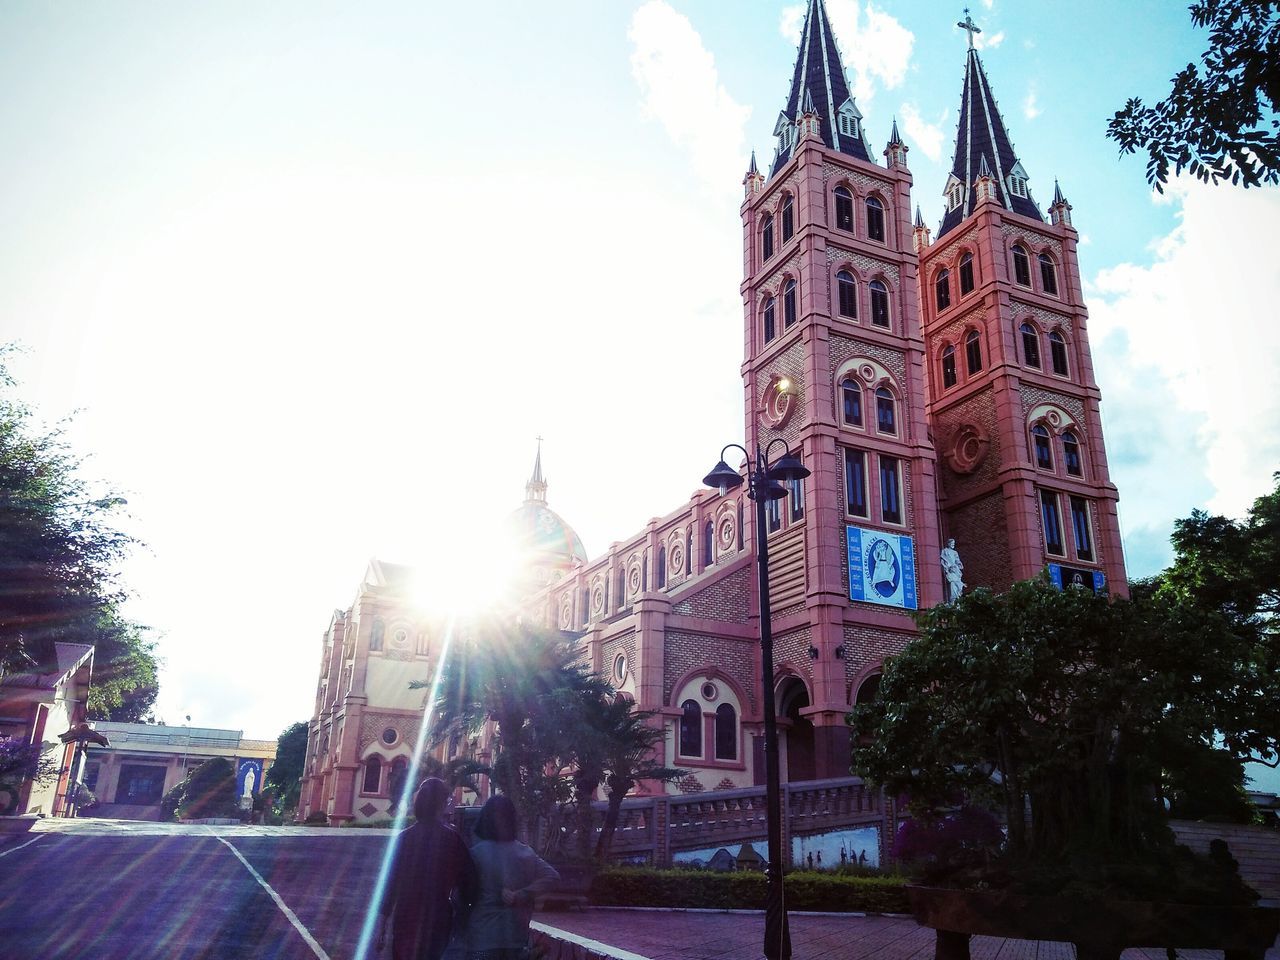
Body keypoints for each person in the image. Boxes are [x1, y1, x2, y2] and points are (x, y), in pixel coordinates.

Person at [378, 778, 476, 960]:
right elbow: (470, 885)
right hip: (437, 918)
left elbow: (390, 885)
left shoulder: (404, 839)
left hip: (406, 917)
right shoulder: (452, 839)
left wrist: (381, 924)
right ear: (441, 804)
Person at [462, 794, 559, 960]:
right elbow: (553, 877)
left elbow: (462, 895)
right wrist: (522, 894)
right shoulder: (526, 853)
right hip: (516, 938)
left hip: (482, 938)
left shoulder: (476, 854)